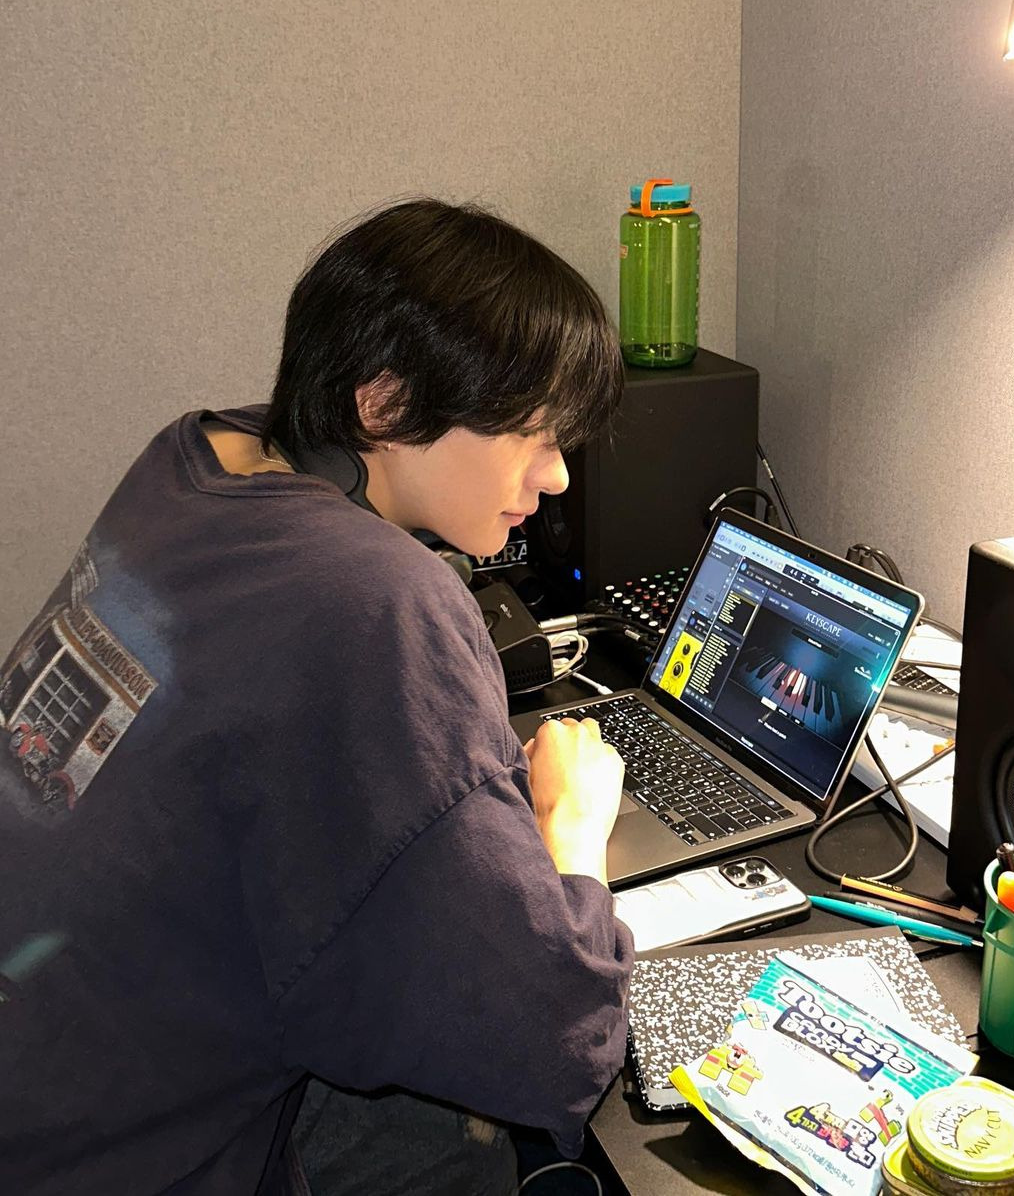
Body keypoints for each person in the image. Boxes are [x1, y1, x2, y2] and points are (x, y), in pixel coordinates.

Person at [0, 200, 634, 1195]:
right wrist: (572, 829)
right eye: (529, 432)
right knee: (475, 1128)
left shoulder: (195, 455)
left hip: (46, 1041)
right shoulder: (374, 598)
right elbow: (554, 1038)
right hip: (119, 1151)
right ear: (382, 405)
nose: (554, 476)